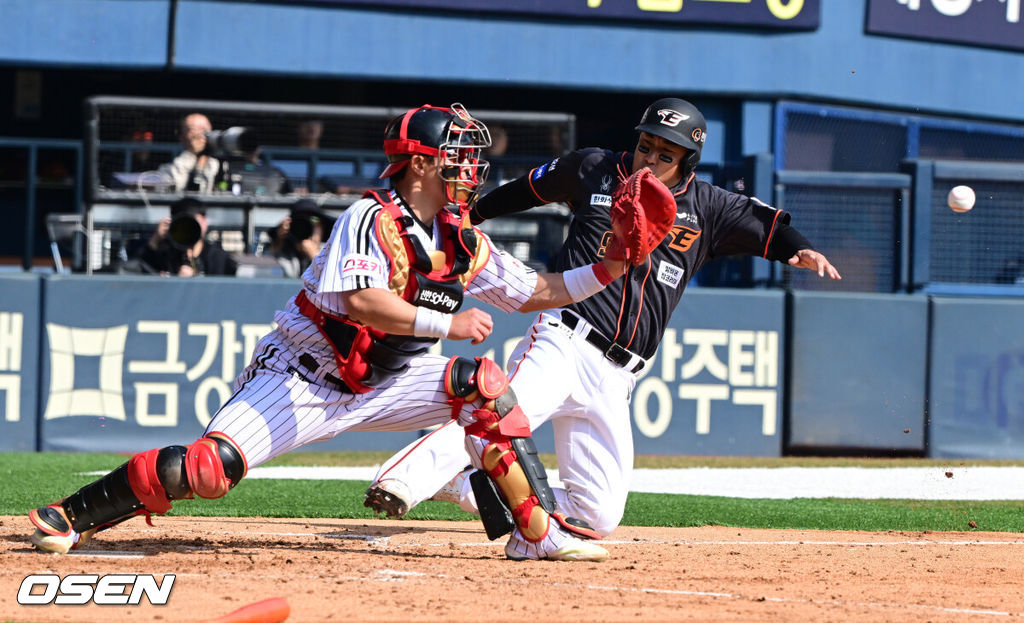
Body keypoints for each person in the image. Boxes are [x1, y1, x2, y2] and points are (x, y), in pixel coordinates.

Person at [27, 103, 634, 562]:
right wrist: (446, 322)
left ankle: (536, 533)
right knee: (206, 471)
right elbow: (363, 303)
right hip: (303, 379)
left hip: (389, 380)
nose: (470, 167)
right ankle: (69, 515)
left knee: (485, 385)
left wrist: (613, 266)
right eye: (456, 154)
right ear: (421, 163)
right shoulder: (369, 217)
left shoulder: (460, 234)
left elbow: (537, 292)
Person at [363, 97, 842, 542]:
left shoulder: (709, 207)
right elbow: (527, 189)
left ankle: (468, 484)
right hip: (566, 340)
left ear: (687, 163)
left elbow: (770, 224)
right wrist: (470, 215)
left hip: (619, 375)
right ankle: (403, 479)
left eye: (665, 154)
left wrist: (797, 249)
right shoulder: (594, 168)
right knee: (503, 413)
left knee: (599, 515)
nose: (649, 158)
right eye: (646, 145)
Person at [137, 197, 238, 276]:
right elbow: (141, 269)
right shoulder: (165, 255)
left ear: (204, 222)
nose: (188, 228)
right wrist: (155, 239)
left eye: (192, 222)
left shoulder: (217, 258)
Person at [268, 198, 334, 278]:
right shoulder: (282, 253)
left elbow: (334, 282)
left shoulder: (333, 254)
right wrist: (278, 239)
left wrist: (315, 256)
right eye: (300, 224)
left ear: (322, 227)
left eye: (314, 220)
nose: (306, 229)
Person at [158, 113, 220, 193]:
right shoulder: (168, 169)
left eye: (205, 129)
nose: (202, 134)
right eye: (194, 129)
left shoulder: (218, 164)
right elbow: (178, 186)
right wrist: (194, 154)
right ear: (182, 137)